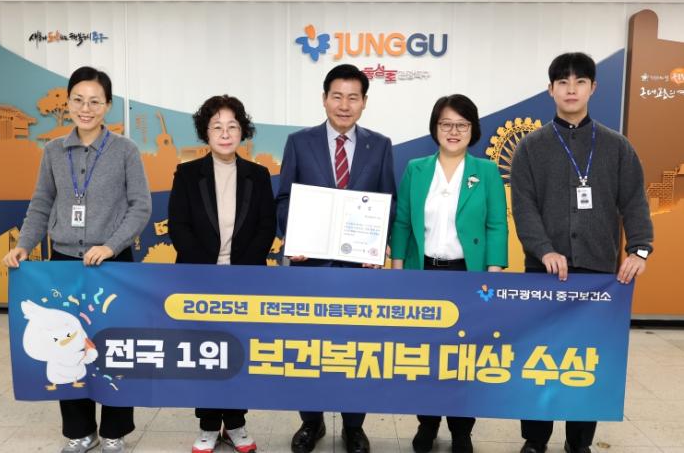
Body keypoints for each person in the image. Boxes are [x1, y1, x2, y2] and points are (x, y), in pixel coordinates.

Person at [2, 66, 152, 453]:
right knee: (64, 344)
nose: (86, 109)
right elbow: (41, 203)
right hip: (64, 262)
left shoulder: (125, 150)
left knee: (114, 347)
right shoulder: (53, 151)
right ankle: (80, 431)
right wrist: (24, 244)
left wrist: (111, 245)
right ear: (68, 103)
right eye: (79, 100)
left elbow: (140, 206)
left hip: (113, 264)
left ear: (108, 105)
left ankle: (115, 430)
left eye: (95, 102)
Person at [511, 52, 654, 453]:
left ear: (593, 88)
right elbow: (523, 207)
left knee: (587, 360)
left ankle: (579, 442)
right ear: (550, 90)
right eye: (563, 82)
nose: (571, 89)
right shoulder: (530, 147)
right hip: (544, 273)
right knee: (540, 359)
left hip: (599, 277)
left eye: (579, 82)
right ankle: (535, 439)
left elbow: (635, 202)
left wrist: (640, 250)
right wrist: (544, 250)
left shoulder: (617, 147)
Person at [275, 64, 396, 453]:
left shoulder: (380, 145)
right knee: (308, 348)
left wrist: (377, 246)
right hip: (310, 267)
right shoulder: (299, 142)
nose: (345, 105)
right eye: (337, 96)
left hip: (359, 270)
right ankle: (311, 423)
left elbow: (388, 202)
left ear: (364, 102)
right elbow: (284, 199)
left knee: (356, 349)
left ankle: (353, 426)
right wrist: (293, 237)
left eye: (353, 97)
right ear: (324, 98)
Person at [390, 94, 508, 453]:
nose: (453, 131)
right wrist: (398, 270)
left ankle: (461, 430)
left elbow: (496, 225)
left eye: (461, 124)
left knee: (464, 357)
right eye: (446, 124)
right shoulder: (416, 169)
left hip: (467, 276)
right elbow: (402, 222)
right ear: (435, 128)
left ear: (472, 130)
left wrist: (493, 273)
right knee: (426, 356)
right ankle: (427, 424)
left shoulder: (486, 171)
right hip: (423, 273)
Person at [168, 94, 275, 453]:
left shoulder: (258, 175)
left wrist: (238, 272)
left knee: (239, 351)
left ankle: (237, 423)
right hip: (200, 279)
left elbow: (266, 226)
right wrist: (210, 272)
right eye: (217, 127)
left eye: (232, 126)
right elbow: (179, 227)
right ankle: (209, 425)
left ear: (243, 131)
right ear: (206, 133)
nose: (225, 134)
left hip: (245, 278)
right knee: (206, 353)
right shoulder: (187, 174)